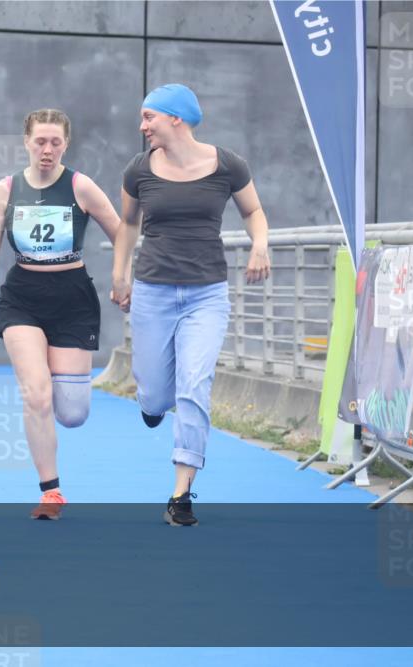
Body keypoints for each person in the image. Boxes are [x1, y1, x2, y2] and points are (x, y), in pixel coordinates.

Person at [112, 84, 270, 527]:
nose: (143, 126)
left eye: (149, 117)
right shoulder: (138, 169)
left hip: (206, 294)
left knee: (193, 386)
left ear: (175, 118)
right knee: (157, 394)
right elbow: (127, 223)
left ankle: (180, 495)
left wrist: (261, 245)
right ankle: (150, 403)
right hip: (153, 291)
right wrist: (119, 275)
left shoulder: (227, 165)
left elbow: (254, 212)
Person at [0, 109, 122, 520]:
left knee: (72, 413)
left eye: (55, 142)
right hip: (23, 297)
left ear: (66, 145)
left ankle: (65, 414)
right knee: (36, 393)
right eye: (40, 141)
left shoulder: (81, 186)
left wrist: (122, 275)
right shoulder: (6, 190)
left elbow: (123, 234)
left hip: (73, 298)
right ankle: (51, 492)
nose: (47, 149)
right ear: (26, 141)